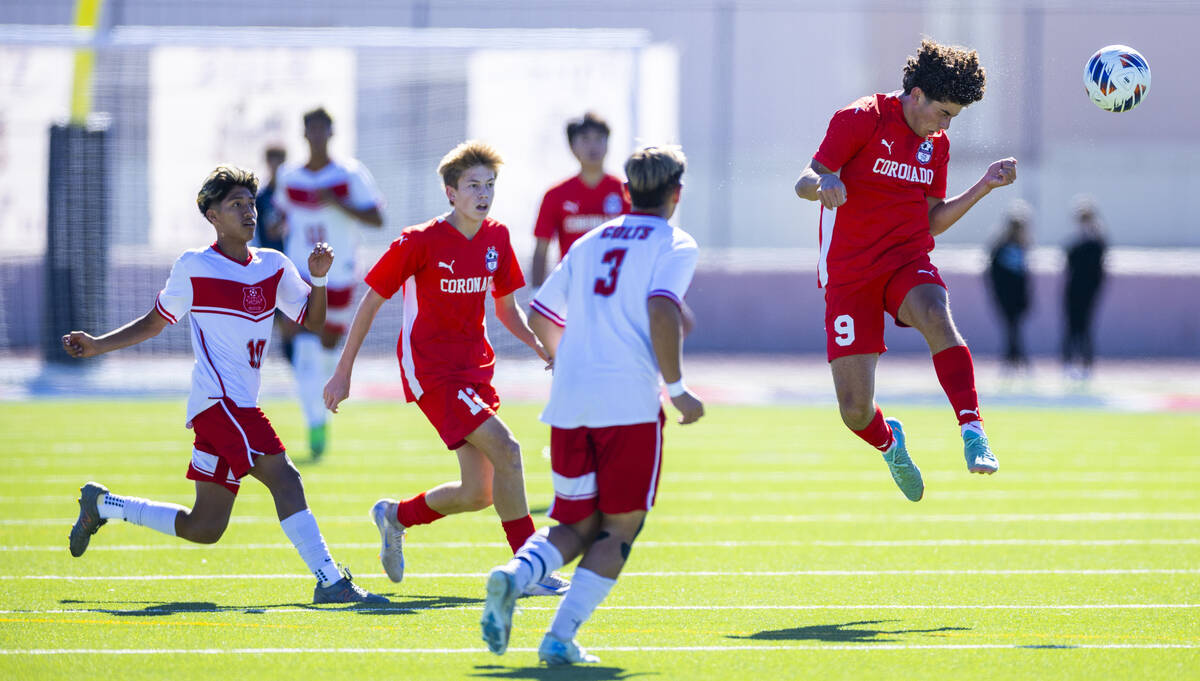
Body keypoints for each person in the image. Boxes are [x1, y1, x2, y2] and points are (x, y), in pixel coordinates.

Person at [62, 165, 386, 604]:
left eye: (251, 203)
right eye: (236, 204)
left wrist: (320, 277)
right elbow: (155, 323)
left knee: (205, 527)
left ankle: (102, 506)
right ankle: (330, 580)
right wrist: (98, 345)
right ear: (212, 215)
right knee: (286, 479)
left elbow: (311, 321)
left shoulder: (274, 265)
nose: (249, 211)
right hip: (219, 404)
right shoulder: (194, 266)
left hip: (234, 406)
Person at [481, 145, 703, 666]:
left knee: (574, 523)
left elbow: (540, 313)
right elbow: (662, 309)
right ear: (676, 194)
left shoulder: (589, 241)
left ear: (626, 192)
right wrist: (676, 389)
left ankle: (514, 576)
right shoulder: (676, 241)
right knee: (619, 527)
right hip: (626, 402)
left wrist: (570, 364)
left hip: (570, 400)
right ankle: (558, 638)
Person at [323, 140, 567, 597]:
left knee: (479, 492)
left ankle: (396, 516)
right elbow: (372, 300)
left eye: (490, 184)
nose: (484, 192)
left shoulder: (497, 237)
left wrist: (537, 343)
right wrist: (343, 371)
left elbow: (507, 308)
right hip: (432, 371)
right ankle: (530, 569)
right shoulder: (419, 241)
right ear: (451, 193)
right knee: (509, 451)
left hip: (476, 371)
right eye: (473, 184)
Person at [793, 38, 1017, 501]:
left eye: (953, 116)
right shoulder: (860, 118)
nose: (946, 124)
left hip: (905, 258)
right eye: (944, 112)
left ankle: (973, 430)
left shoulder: (937, 144)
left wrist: (984, 187)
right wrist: (826, 182)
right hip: (850, 273)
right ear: (917, 95)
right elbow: (804, 180)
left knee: (937, 314)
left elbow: (932, 219)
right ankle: (891, 445)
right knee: (855, 410)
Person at [274, 107, 385, 459]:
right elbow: (279, 216)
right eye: (311, 129)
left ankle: (319, 410)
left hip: (337, 275)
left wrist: (338, 203)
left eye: (323, 129)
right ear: (304, 134)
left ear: (331, 133)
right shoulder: (290, 176)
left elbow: (378, 217)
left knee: (323, 352)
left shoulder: (349, 174)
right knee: (302, 350)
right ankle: (314, 422)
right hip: (299, 272)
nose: (317, 135)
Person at [530, 112, 630, 287]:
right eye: (585, 139)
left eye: (599, 138)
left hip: (617, 288)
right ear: (572, 146)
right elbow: (541, 250)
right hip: (573, 290)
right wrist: (536, 292)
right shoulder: (555, 195)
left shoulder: (627, 192)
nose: (593, 145)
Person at [1063, 195, 1107, 379]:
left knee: (1085, 328)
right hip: (1073, 291)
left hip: (1088, 292)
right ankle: (1068, 363)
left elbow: (1098, 268)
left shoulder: (1096, 242)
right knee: (1072, 328)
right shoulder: (1077, 242)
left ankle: (1087, 364)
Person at [987, 200, 1033, 372]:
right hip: (1004, 295)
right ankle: (1014, 359)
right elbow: (993, 273)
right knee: (1010, 327)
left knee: (1014, 327)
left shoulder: (1022, 247)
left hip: (1018, 296)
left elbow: (1024, 276)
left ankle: (1014, 359)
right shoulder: (1000, 247)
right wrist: (998, 292)